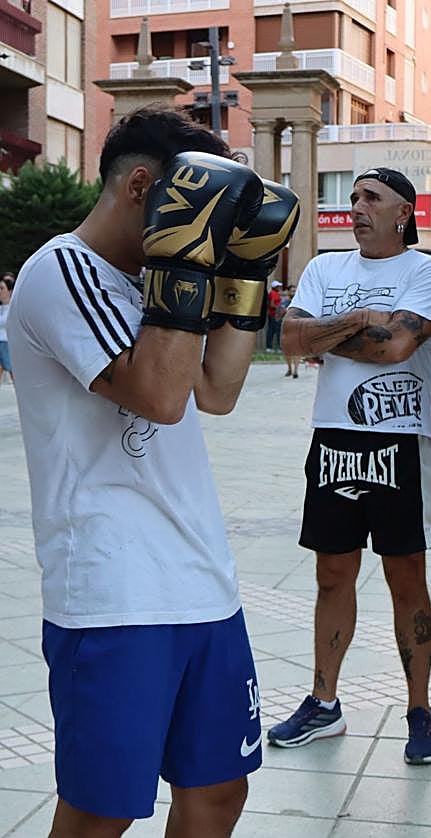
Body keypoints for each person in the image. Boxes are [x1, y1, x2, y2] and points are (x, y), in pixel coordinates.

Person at [6, 105, 296, 838]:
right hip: (114, 592)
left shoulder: (149, 279)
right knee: (100, 812)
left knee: (219, 789)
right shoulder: (60, 272)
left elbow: (218, 391)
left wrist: (243, 269)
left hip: (202, 579)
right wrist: (185, 263)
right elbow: (161, 397)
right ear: (143, 186)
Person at [267, 167, 431, 764]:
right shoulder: (325, 268)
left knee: (406, 577)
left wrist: (323, 334)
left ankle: (419, 709)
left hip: (399, 440)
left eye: (372, 197)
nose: (357, 207)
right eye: (353, 197)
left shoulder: (429, 272)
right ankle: (324, 703)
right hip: (333, 438)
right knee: (331, 574)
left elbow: (396, 347)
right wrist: (355, 322)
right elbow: (288, 340)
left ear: (403, 213)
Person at [0, 275, 14, 385]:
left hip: (7, 343)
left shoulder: (13, 308)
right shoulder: (0, 308)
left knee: (13, 371)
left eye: (1, 288)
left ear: (9, 291)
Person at [265, 279, 283, 351]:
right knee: (274, 330)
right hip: (274, 315)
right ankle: (270, 347)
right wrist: (280, 309)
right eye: (278, 286)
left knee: (272, 330)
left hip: (274, 314)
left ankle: (270, 347)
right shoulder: (273, 293)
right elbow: (272, 304)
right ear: (275, 287)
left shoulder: (274, 293)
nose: (280, 288)